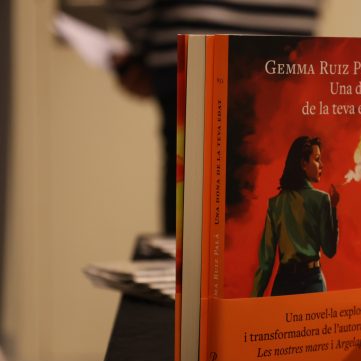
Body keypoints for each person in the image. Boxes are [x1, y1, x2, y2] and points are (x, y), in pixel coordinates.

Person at [106, 0, 319, 233]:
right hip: (288, 55)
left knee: (198, 233)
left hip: (200, 55)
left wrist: (142, 51)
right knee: (275, 215)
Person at [252, 136, 339, 296]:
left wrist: (253, 300)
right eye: (317, 159)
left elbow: (266, 263)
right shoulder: (322, 200)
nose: (321, 165)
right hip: (313, 283)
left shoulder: (275, 204)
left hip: (284, 284)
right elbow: (330, 250)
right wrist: (333, 209)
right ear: (303, 164)